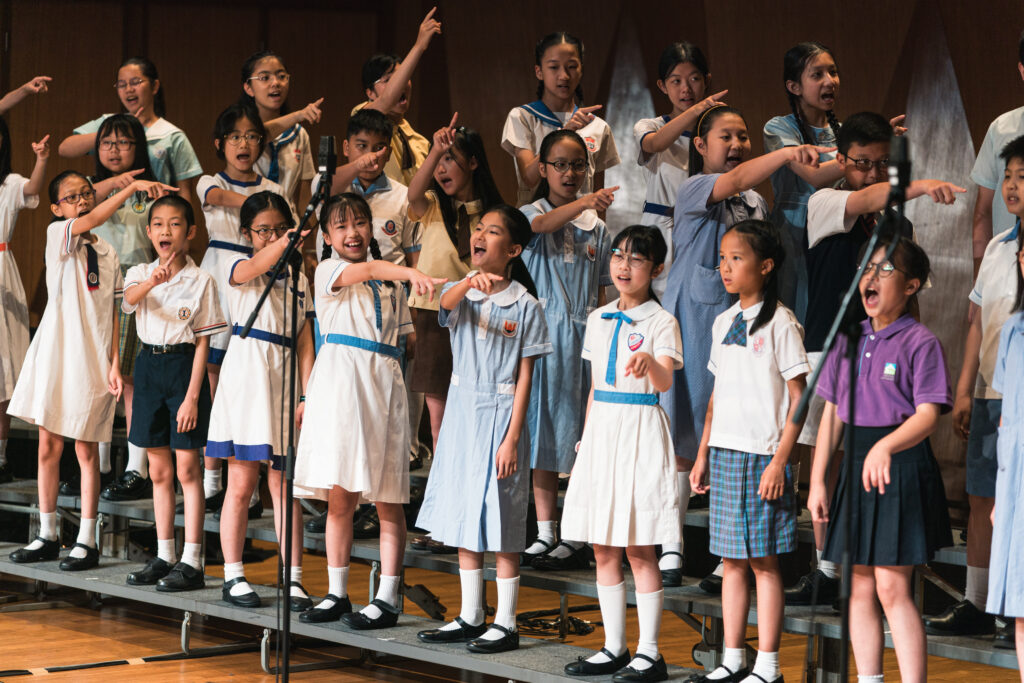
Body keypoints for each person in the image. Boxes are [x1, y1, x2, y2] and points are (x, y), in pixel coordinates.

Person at [789, 111, 963, 606]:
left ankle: (862, 562)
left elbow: (909, 293)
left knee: (868, 450)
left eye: (883, 164)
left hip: (887, 345)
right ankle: (825, 566)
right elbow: (867, 197)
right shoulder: (825, 201)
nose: (872, 173)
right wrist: (917, 182)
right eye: (862, 163)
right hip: (832, 342)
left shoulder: (898, 221)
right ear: (841, 161)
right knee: (825, 451)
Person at [661, 103, 826, 593]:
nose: (736, 145)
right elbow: (730, 183)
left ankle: (722, 557)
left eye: (743, 136)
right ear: (700, 144)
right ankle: (671, 545)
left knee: (731, 436)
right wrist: (788, 154)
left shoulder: (755, 202)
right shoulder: (694, 186)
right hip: (694, 322)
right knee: (686, 435)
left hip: (745, 327)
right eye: (725, 136)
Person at [7, 170, 175, 570]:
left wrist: (116, 362)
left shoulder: (108, 251)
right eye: (71, 197)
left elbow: (118, 313)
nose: (81, 201)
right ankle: (47, 533)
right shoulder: (57, 234)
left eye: (85, 194)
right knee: (48, 446)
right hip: (55, 352)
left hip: (94, 358)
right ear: (56, 208)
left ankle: (86, 538)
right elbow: (93, 218)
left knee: (86, 451)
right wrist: (127, 187)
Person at [808, 236, 953, 683]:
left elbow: (928, 413)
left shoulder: (920, 341)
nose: (870, 278)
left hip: (900, 465)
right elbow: (832, 413)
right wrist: (817, 481)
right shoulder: (849, 340)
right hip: (856, 463)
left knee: (892, 587)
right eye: (866, 269)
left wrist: (886, 446)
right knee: (858, 587)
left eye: (884, 270)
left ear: (911, 286)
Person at [294, 193, 442, 627]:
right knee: (341, 495)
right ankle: (337, 592)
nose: (353, 232)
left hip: (385, 383)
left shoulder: (392, 284)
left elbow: (407, 337)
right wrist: (412, 270)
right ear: (326, 236)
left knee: (388, 497)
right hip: (343, 384)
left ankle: (388, 596)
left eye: (360, 222)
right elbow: (374, 268)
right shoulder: (328, 270)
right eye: (341, 226)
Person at [415, 205, 550, 654]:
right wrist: (469, 284)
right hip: (462, 412)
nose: (480, 236)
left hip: (502, 413)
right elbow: (443, 302)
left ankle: (506, 621)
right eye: (478, 228)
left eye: (492, 232)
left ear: (512, 249)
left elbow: (527, 375)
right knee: (461, 513)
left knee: (503, 516)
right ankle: (471, 614)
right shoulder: (463, 291)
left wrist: (512, 436)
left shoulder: (527, 305)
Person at [560, 224, 682, 682]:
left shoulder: (661, 321)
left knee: (639, 547)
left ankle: (650, 653)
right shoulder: (599, 317)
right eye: (618, 256)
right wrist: (586, 438)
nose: (624, 266)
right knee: (602, 546)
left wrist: (650, 363)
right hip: (603, 432)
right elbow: (594, 388)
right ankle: (613, 646)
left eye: (636, 258)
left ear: (657, 268)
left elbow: (667, 381)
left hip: (640, 429)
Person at [689, 220, 808, 683]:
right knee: (732, 562)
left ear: (766, 265)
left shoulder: (781, 321)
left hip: (764, 457)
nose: (725, 267)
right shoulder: (723, 321)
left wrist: (781, 460)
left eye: (736, 258)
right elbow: (717, 396)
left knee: (764, 562)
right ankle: (733, 658)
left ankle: (769, 666)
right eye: (722, 258)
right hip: (725, 453)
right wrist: (702, 454)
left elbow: (799, 397)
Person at [925, 135, 1024, 645]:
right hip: (990, 395)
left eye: (1023, 177)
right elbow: (976, 321)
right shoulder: (999, 248)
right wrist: (964, 389)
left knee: (1019, 503)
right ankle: (979, 602)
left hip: (1022, 400)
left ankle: (1016, 608)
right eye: (1008, 176)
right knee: (982, 498)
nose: (1011, 186)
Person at [207, 191, 315, 610]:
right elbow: (255, 265)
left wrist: (308, 392)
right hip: (249, 372)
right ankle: (233, 575)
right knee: (242, 481)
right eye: (262, 230)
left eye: (277, 227)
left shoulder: (300, 275)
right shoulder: (239, 265)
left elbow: (305, 338)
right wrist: (281, 243)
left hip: (284, 376)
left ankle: (294, 579)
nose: (270, 235)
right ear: (247, 233)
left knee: (284, 485)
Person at [517, 129, 613, 571]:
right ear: (543, 168)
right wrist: (586, 203)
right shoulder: (530, 213)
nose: (571, 173)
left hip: (584, 335)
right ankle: (544, 531)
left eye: (579, 165)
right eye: (561, 164)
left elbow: (606, 288)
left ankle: (575, 533)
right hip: (543, 335)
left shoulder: (599, 228)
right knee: (541, 434)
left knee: (578, 436)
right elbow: (539, 227)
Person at [122, 195, 225, 591]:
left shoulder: (201, 280)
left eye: (175, 224)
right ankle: (165, 555)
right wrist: (153, 281)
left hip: (184, 369)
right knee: (158, 470)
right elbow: (130, 302)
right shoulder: (139, 272)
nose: (166, 231)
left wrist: (192, 397)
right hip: (148, 367)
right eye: (159, 224)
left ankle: (193, 560)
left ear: (190, 232)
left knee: (187, 469)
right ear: (149, 232)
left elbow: (203, 344)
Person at [197, 102, 287, 511]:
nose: (244, 143)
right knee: (215, 375)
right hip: (222, 272)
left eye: (252, 136)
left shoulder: (275, 188)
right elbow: (223, 198)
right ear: (220, 143)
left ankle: (247, 483)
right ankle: (214, 475)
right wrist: (263, 200)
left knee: (246, 374)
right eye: (235, 136)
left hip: (262, 275)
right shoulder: (207, 182)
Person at [88, 114, 161, 501]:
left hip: (133, 291)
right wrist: (119, 184)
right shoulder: (86, 189)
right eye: (108, 143)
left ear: (139, 148)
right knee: (97, 378)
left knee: (130, 381)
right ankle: (96, 467)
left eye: (125, 142)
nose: (115, 150)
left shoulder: (150, 189)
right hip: (94, 290)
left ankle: (136, 469)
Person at [633, 40, 725, 297]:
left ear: (706, 80)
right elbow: (656, 143)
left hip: (705, 226)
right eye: (676, 81)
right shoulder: (649, 125)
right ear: (662, 86)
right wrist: (699, 108)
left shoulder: (715, 130)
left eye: (694, 79)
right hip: (662, 228)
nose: (686, 89)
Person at [58, 57, 202, 202]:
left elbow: (184, 191)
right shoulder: (108, 122)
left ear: (155, 86)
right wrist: (111, 131)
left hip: (153, 213)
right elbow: (65, 149)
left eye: (135, 82)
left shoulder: (172, 135)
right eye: (121, 85)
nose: (128, 89)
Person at [502, 31, 620, 206]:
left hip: (584, 225)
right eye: (554, 67)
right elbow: (529, 178)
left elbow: (598, 194)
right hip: (537, 224)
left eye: (571, 66)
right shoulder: (522, 117)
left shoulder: (597, 126)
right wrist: (565, 132)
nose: (564, 75)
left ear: (581, 71)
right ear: (539, 71)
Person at [0, 119, 49, 484]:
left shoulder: (9, 184)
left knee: (2, 369)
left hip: (2, 272)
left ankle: (0, 459)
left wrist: (42, 159)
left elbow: (34, 187)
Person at [986, 224, 1024, 672]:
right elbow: (1006, 418)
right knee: (1019, 604)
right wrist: (1001, 495)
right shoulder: (1013, 328)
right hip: (1014, 483)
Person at [353, 7, 441, 186]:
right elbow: (386, 101)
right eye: (388, 80)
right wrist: (419, 46)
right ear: (370, 92)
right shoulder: (362, 116)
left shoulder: (421, 143)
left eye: (404, 78)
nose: (401, 84)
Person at [239, 50, 320, 215]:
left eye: (281, 76)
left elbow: (305, 197)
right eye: (264, 78)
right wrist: (299, 115)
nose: (275, 83)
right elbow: (258, 135)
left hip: (287, 226)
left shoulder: (299, 134)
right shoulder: (239, 131)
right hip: (249, 223)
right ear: (248, 88)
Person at [969, 30, 1024, 275]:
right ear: (1022, 71)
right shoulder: (1001, 129)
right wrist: (979, 280)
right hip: (1006, 274)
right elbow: (983, 212)